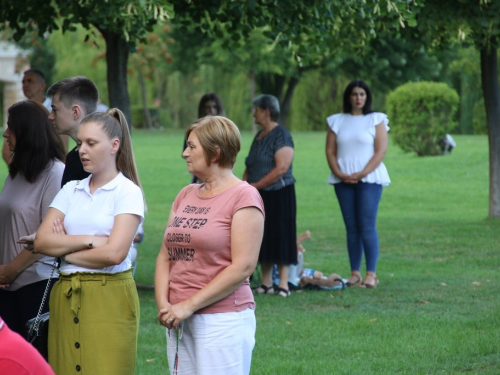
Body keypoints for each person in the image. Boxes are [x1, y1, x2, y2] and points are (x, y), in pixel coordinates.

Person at [33, 109, 145, 374]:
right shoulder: (71, 190)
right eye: (80, 143)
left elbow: (115, 254)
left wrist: (65, 250)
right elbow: (41, 242)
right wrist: (92, 240)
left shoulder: (127, 192)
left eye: (91, 143)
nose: (82, 150)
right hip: (66, 294)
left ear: (114, 146)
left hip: (109, 298)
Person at [155, 116, 264, 375]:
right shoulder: (186, 194)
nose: (184, 153)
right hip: (179, 318)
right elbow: (164, 256)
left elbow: (243, 266)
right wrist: (165, 305)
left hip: (222, 321)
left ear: (215, 152)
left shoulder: (244, 196)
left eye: (192, 147)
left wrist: (188, 305)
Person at [0, 100, 65, 334]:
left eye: (11, 127)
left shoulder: (55, 173)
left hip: (35, 285)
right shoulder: (17, 171)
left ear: (27, 131)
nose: (6, 134)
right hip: (6, 284)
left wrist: (11, 270)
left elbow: (48, 234)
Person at [325, 80, 390, 289]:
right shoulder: (336, 121)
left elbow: (380, 151)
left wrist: (361, 173)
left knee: (366, 225)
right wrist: (339, 173)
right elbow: (330, 151)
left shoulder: (376, 119)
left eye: (362, 94)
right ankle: (354, 273)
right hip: (342, 180)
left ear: (367, 97)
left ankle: (371, 273)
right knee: (351, 227)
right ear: (348, 97)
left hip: (369, 179)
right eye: (354, 94)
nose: (358, 98)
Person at [243, 94, 297, 297]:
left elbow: (281, 167)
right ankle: (266, 283)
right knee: (262, 236)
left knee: (282, 234)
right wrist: (245, 187)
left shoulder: (282, 135)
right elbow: (250, 164)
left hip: (279, 193)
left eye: (256, 109)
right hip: (258, 195)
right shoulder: (258, 137)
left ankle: (283, 284)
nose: (253, 113)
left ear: (266, 111)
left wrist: (256, 185)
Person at [47, 76, 99, 187]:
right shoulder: (73, 157)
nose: (50, 116)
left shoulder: (101, 158)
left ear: (75, 112)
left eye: (55, 110)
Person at [2, 69, 56, 165]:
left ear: (42, 86)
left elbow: (62, 146)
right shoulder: (19, 111)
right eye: (23, 82)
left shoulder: (54, 108)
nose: (25, 84)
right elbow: (6, 151)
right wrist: (18, 173)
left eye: (30, 81)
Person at [185, 92, 225, 183]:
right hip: (201, 180)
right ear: (203, 109)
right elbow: (191, 159)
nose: (211, 110)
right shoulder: (194, 131)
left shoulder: (224, 132)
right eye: (208, 107)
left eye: (214, 107)